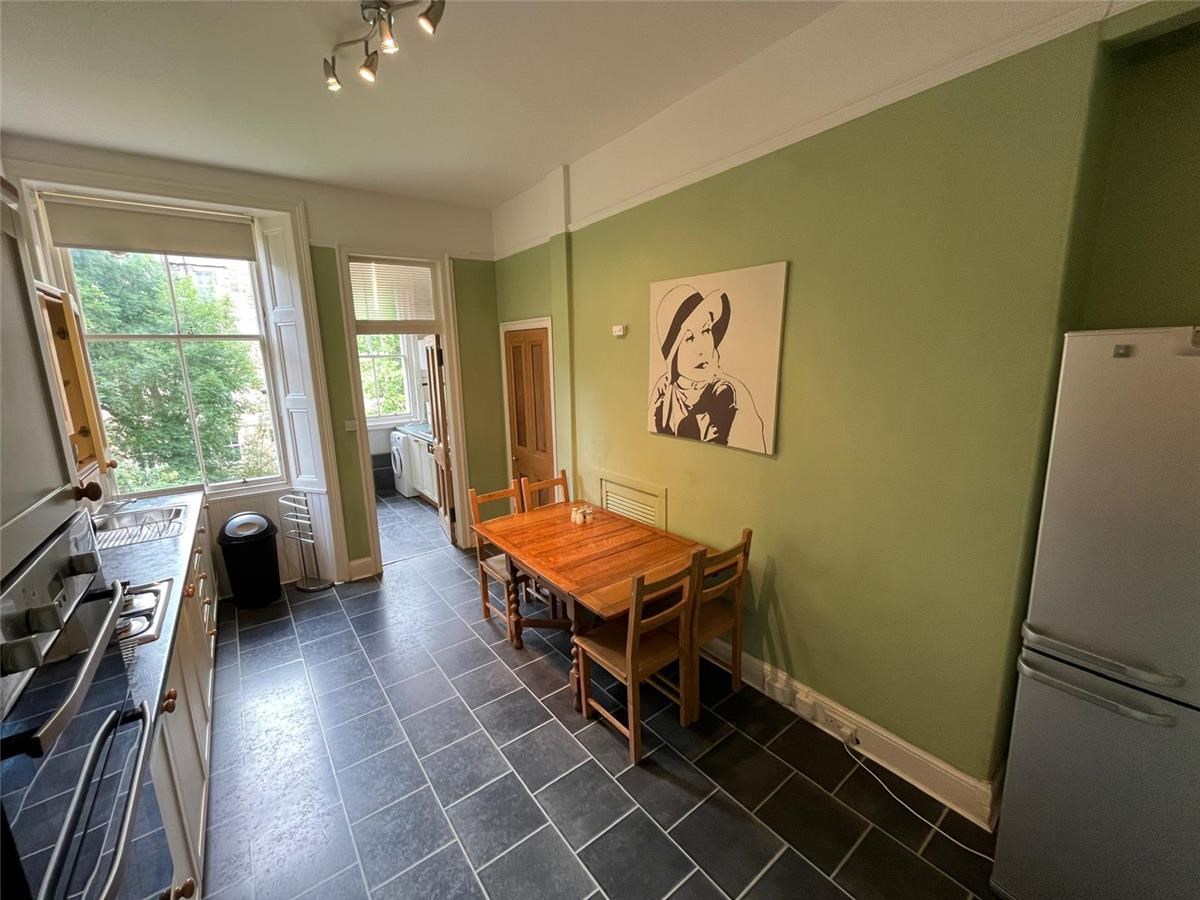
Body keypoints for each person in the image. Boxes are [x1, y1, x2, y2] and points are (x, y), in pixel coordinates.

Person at [648, 284, 765, 452]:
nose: (702, 348)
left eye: (706, 330)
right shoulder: (663, 392)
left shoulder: (732, 395)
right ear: (673, 353)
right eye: (689, 338)